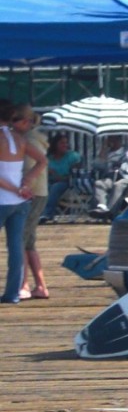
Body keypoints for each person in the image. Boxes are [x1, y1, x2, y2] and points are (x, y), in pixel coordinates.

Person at [0, 101, 46, 303]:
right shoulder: (19, 139)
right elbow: (43, 161)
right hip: (19, 202)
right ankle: (12, 294)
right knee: (16, 247)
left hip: (3, 200)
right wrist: (27, 181)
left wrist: (16, 187)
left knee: (17, 246)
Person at [17, 108, 50, 300]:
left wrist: (24, 185)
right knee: (29, 242)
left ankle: (24, 285)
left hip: (32, 194)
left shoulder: (28, 140)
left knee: (20, 239)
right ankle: (40, 286)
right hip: (40, 193)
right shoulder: (37, 138)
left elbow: (32, 166)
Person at [89, 134, 128, 220]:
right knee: (99, 183)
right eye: (109, 139)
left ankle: (111, 212)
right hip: (111, 177)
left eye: (113, 139)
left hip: (127, 177)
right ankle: (102, 207)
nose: (111, 141)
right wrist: (104, 148)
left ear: (119, 140)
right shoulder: (106, 153)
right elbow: (97, 165)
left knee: (118, 185)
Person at [41, 132, 82, 222]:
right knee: (43, 187)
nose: (65, 145)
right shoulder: (49, 158)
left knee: (55, 187)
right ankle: (37, 213)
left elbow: (76, 172)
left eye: (66, 143)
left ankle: (47, 214)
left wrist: (60, 176)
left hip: (68, 182)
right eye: (62, 143)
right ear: (55, 145)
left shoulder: (72, 156)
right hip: (50, 181)